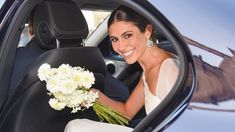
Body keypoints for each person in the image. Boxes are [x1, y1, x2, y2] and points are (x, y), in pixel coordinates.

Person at [64, 5, 179, 132]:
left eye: (127, 35)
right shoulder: (149, 67)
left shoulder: (168, 69)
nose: (121, 47)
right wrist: (95, 96)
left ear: (147, 31)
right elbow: (127, 112)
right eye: (114, 39)